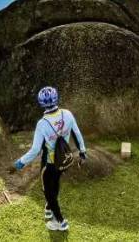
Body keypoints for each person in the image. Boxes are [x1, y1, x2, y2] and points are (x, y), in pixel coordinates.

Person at [14, 86, 87, 232]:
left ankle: (60, 221)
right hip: (63, 160)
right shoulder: (67, 114)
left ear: (41, 103)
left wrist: (21, 162)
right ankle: (48, 208)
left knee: (48, 190)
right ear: (56, 99)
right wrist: (82, 152)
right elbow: (77, 134)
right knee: (55, 183)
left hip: (49, 163)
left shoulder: (42, 124)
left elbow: (35, 150)